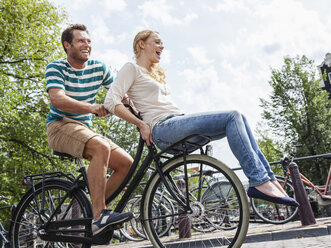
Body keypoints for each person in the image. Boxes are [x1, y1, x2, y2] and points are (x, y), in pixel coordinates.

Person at [104, 30, 299, 207]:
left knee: (241, 119)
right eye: (157, 42)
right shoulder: (131, 67)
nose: (162, 46)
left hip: (174, 122)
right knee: (233, 116)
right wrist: (140, 124)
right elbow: (111, 101)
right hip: (162, 128)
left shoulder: (154, 75)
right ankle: (259, 181)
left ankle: (269, 180)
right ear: (141, 44)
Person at [45, 24, 133, 235]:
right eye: (81, 41)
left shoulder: (99, 68)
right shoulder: (56, 67)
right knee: (100, 147)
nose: (87, 45)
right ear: (68, 45)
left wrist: (142, 116)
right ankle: (99, 215)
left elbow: (120, 95)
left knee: (126, 164)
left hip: (84, 129)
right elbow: (57, 99)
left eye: (89, 41)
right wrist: (92, 107)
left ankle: (92, 206)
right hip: (60, 126)